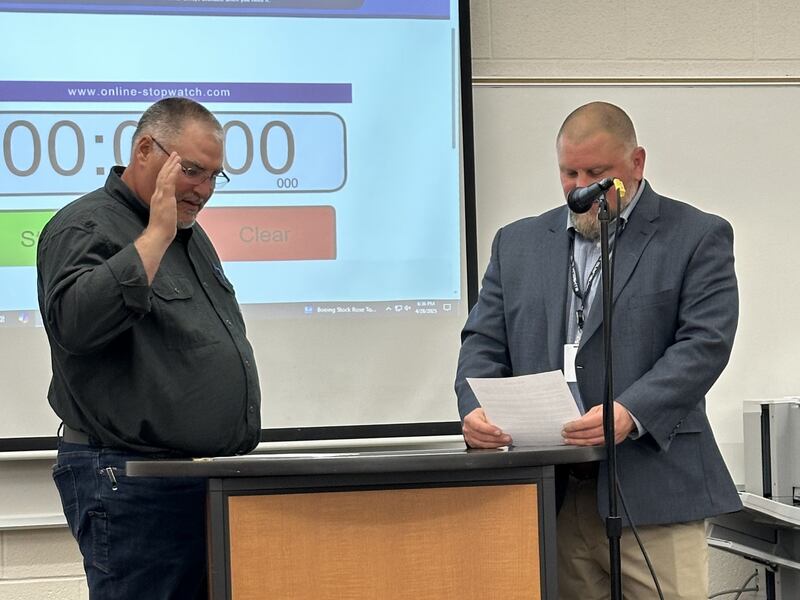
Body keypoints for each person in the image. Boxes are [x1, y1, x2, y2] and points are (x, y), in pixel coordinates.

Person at [454, 101, 741, 599]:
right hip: (552, 497)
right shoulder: (516, 244)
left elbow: (704, 343)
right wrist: (474, 409)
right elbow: (482, 342)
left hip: (655, 495)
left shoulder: (696, 235)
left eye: (597, 172)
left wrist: (632, 411)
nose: (581, 187)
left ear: (637, 163)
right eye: (569, 172)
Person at [37, 97, 261, 599]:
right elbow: (74, 325)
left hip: (200, 485)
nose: (204, 191)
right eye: (193, 172)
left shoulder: (191, 237)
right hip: (132, 484)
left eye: (213, 178)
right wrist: (156, 236)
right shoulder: (85, 226)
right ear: (145, 149)